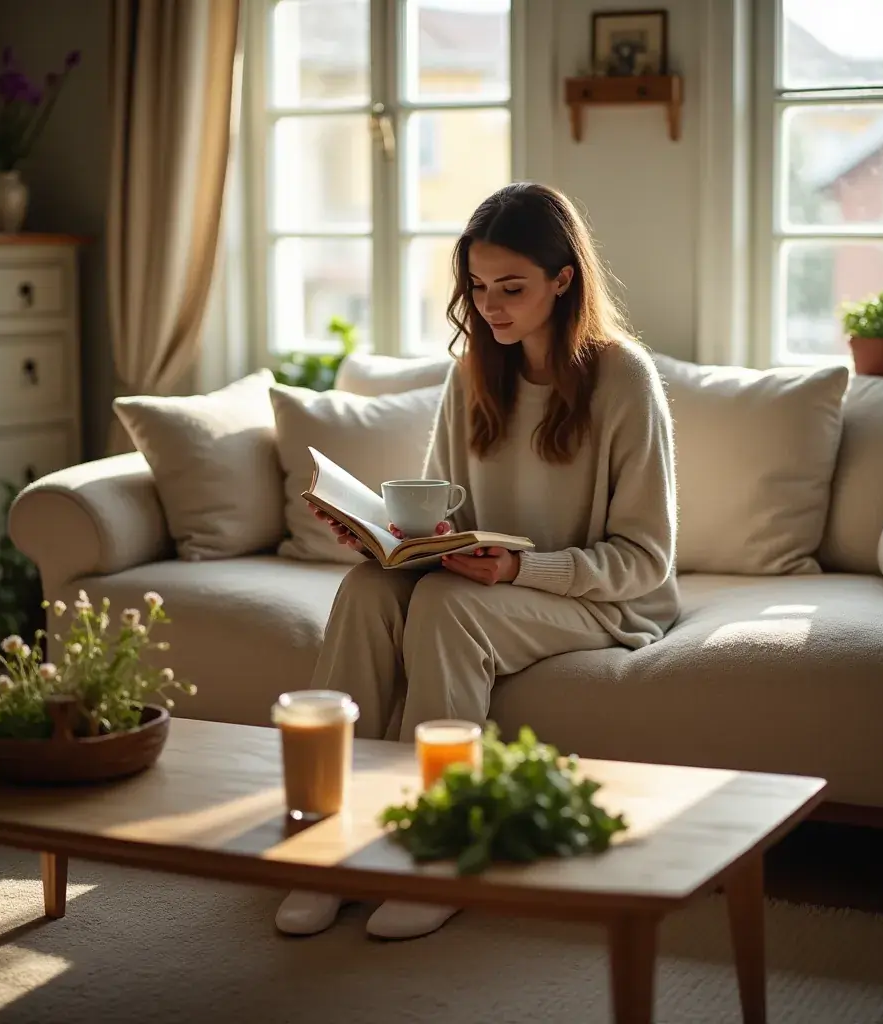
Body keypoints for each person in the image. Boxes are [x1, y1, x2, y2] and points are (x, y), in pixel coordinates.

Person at [275, 181, 680, 941]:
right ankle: (325, 842)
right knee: (368, 590)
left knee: (448, 607)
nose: (491, 306)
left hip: (599, 601)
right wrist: (387, 540)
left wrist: (521, 570)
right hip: (484, 582)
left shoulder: (623, 379)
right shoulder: (473, 374)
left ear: (564, 282)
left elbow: (646, 559)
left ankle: (437, 849)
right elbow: (448, 520)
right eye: (479, 287)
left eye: (512, 288)